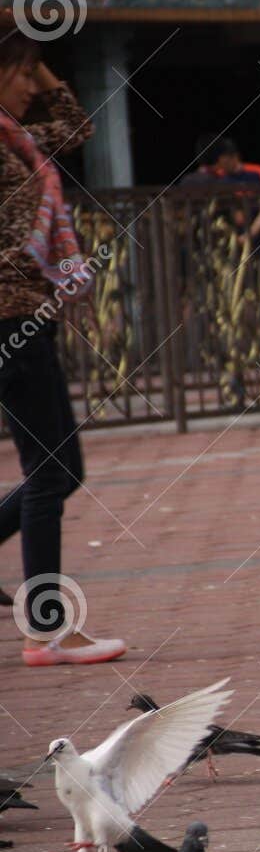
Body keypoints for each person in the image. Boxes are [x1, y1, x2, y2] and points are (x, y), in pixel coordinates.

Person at [0, 33, 126, 664]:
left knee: (61, 470)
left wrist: (43, 70)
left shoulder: (14, 139)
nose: (32, 85)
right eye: (23, 73)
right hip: (8, 323)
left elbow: (77, 128)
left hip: (27, 319)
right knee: (52, 473)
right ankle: (47, 629)